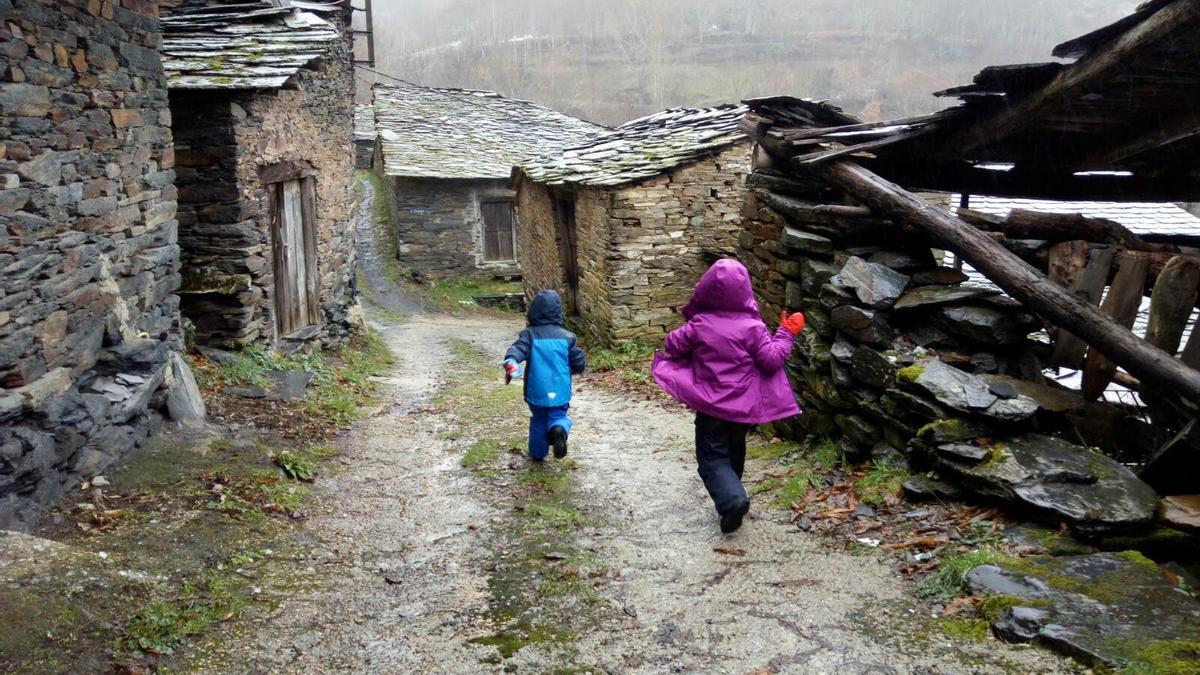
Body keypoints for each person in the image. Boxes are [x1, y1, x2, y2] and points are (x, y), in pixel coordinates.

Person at [652, 259, 804, 533]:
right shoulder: (753, 327)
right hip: (744, 411)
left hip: (711, 408)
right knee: (734, 450)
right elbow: (771, 360)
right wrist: (786, 333)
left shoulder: (700, 325)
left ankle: (732, 500)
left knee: (711, 458)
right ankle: (733, 495)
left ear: (706, 289)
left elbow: (671, 345)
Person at [504, 290, 587, 462]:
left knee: (539, 421)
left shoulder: (529, 335)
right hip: (561, 389)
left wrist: (512, 361)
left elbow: (518, 349)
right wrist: (579, 367)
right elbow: (577, 358)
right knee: (558, 415)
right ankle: (559, 429)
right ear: (558, 313)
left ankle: (538, 453)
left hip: (537, 390)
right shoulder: (567, 337)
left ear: (533, 312)